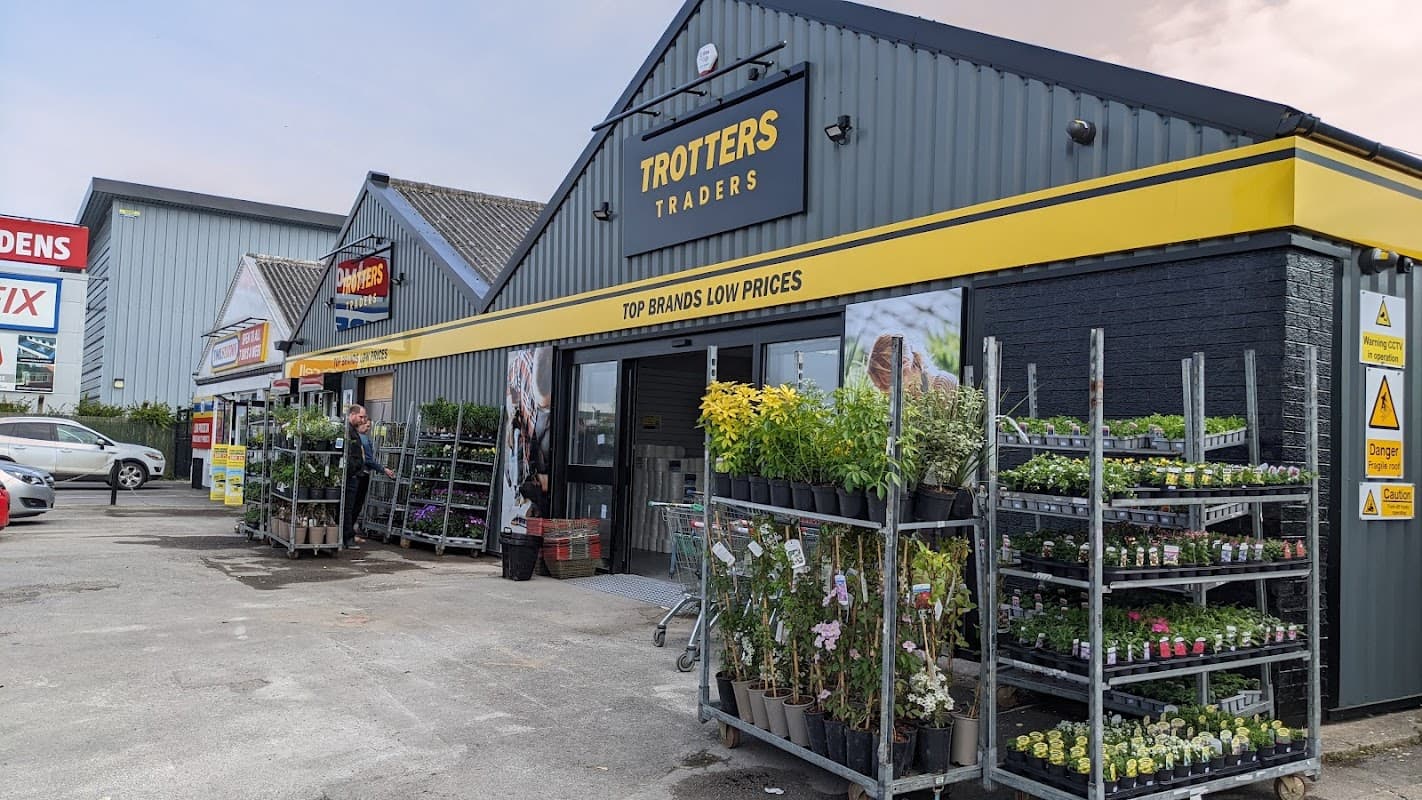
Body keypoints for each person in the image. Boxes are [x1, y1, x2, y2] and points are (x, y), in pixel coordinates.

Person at [342, 404, 394, 549]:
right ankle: (348, 537)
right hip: (355, 475)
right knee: (350, 507)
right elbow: (366, 459)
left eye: (365, 419)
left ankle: (347, 535)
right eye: (361, 417)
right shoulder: (352, 434)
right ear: (353, 415)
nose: (364, 421)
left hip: (356, 474)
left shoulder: (355, 434)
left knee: (351, 507)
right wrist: (382, 469)